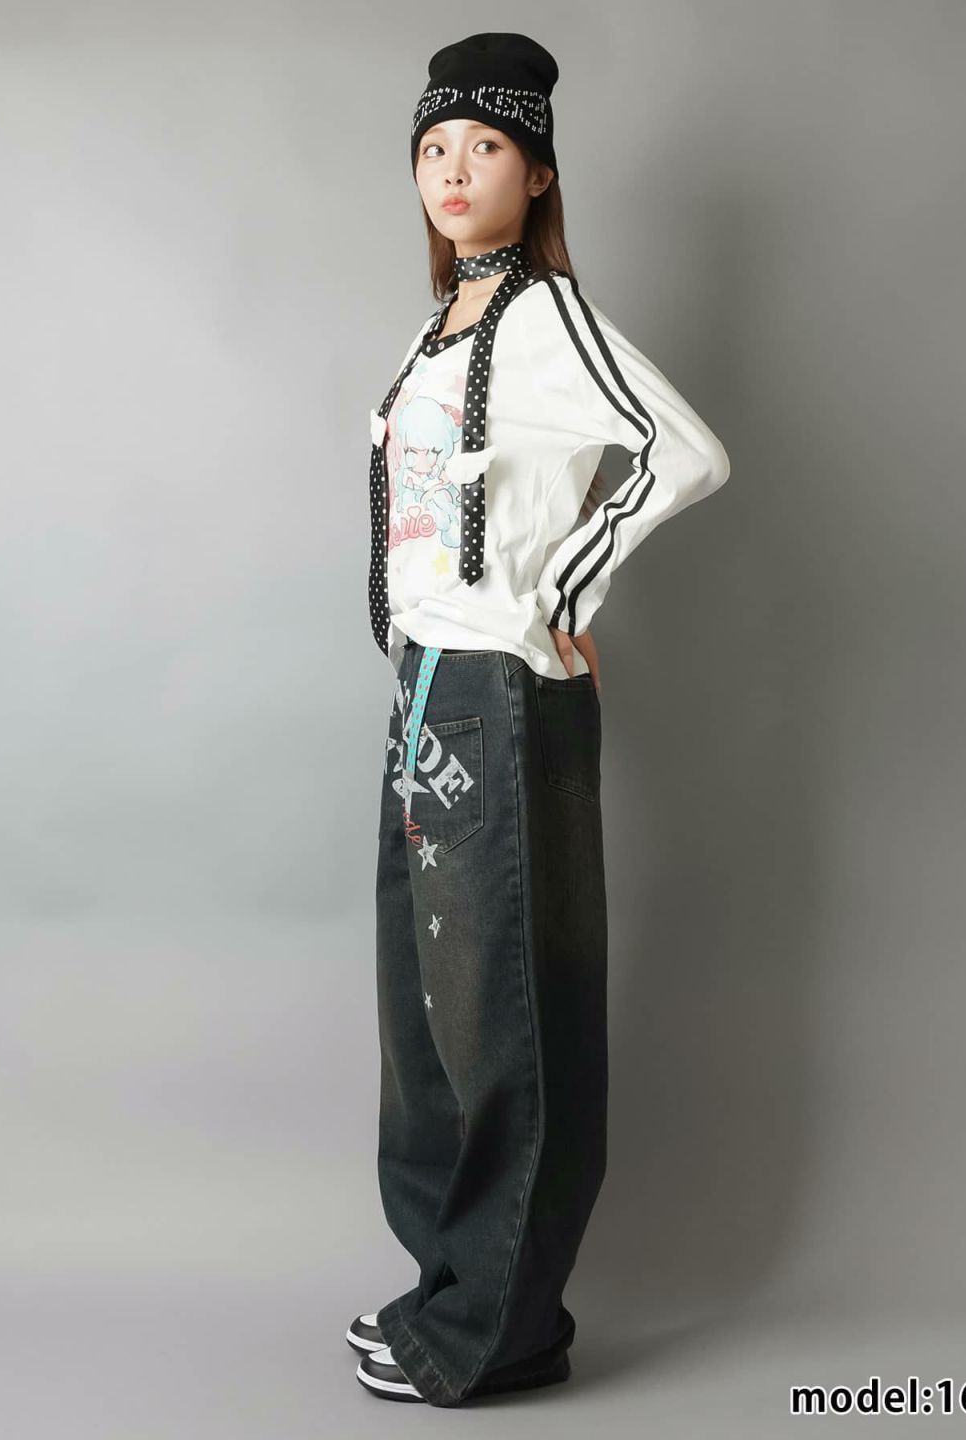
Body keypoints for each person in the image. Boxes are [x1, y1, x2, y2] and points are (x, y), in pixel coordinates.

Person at [350, 31, 731, 1407]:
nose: (454, 170)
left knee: (505, 1012)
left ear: (540, 171)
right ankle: (448, 1292)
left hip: (501, 690)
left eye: (486, 145)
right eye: (433, 148)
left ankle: (497, 1333)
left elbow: (686, 452)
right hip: (428, 688)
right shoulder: (437, 326)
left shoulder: (549, 318)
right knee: (428, 1019)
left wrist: (563, 586)